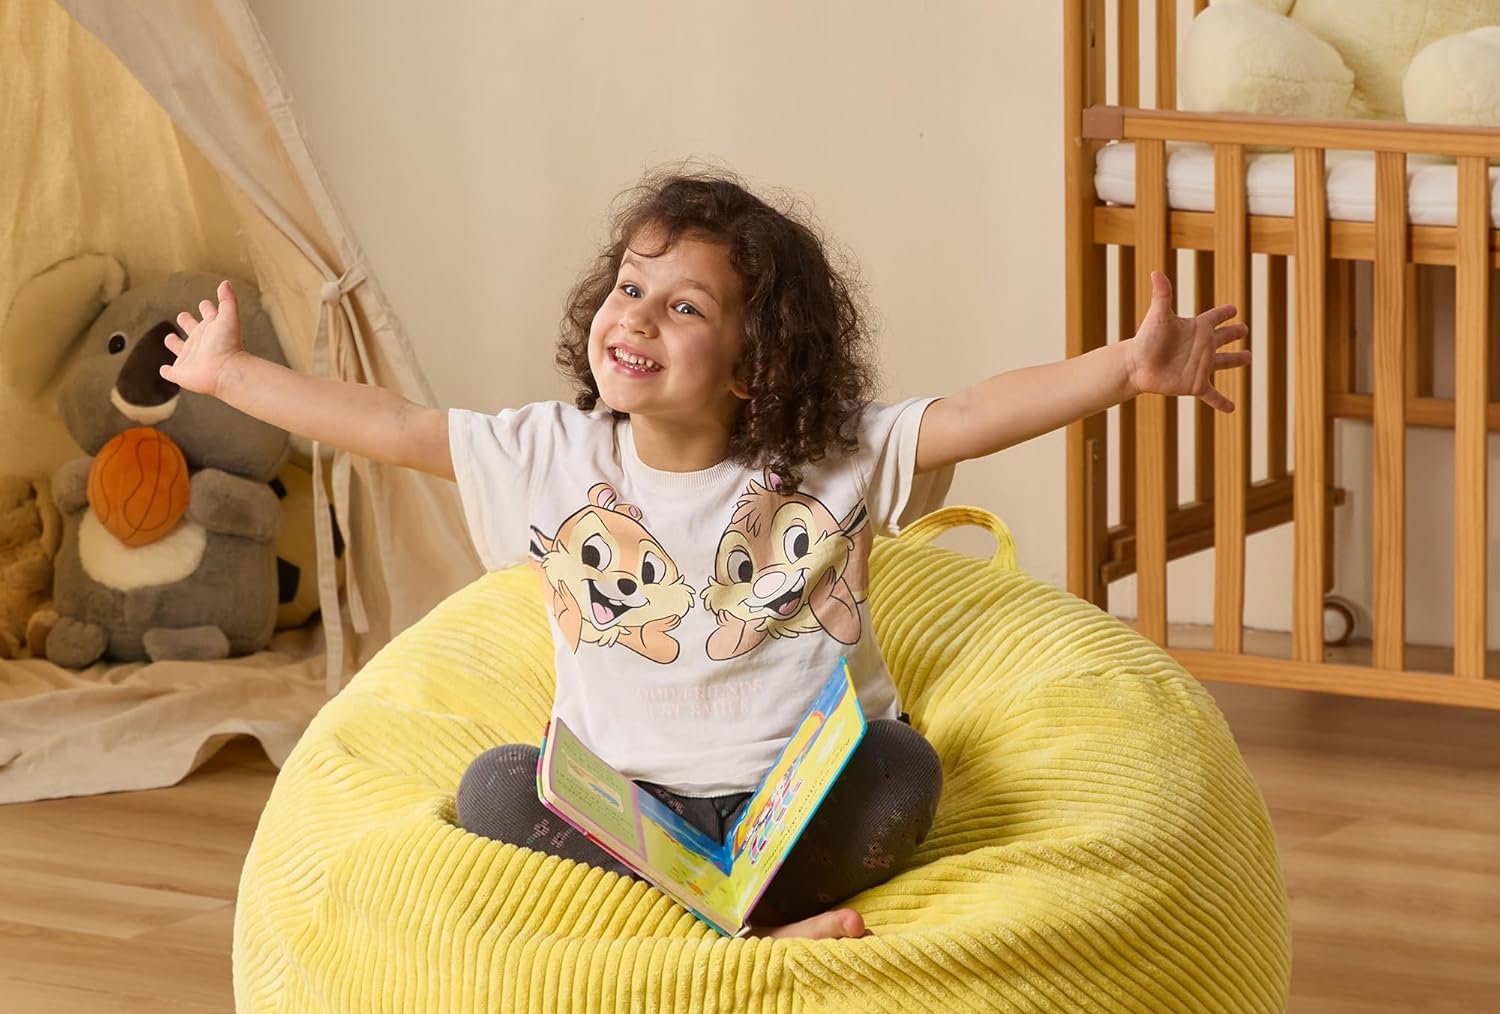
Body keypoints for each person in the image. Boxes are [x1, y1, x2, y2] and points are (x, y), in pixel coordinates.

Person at [161, 168, 1248, 943]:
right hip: (630, 807)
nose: (636, 318)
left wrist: (1123, 369)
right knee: (494, 788)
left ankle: (720, 914)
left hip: (797, 800)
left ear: (752, 364)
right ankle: (745, 924)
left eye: (684, 307)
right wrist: (229, 376)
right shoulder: (550, 454)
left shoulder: (833, 458)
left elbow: (970, 413)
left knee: (904, 770)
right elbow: (393, 425)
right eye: (629, 289)